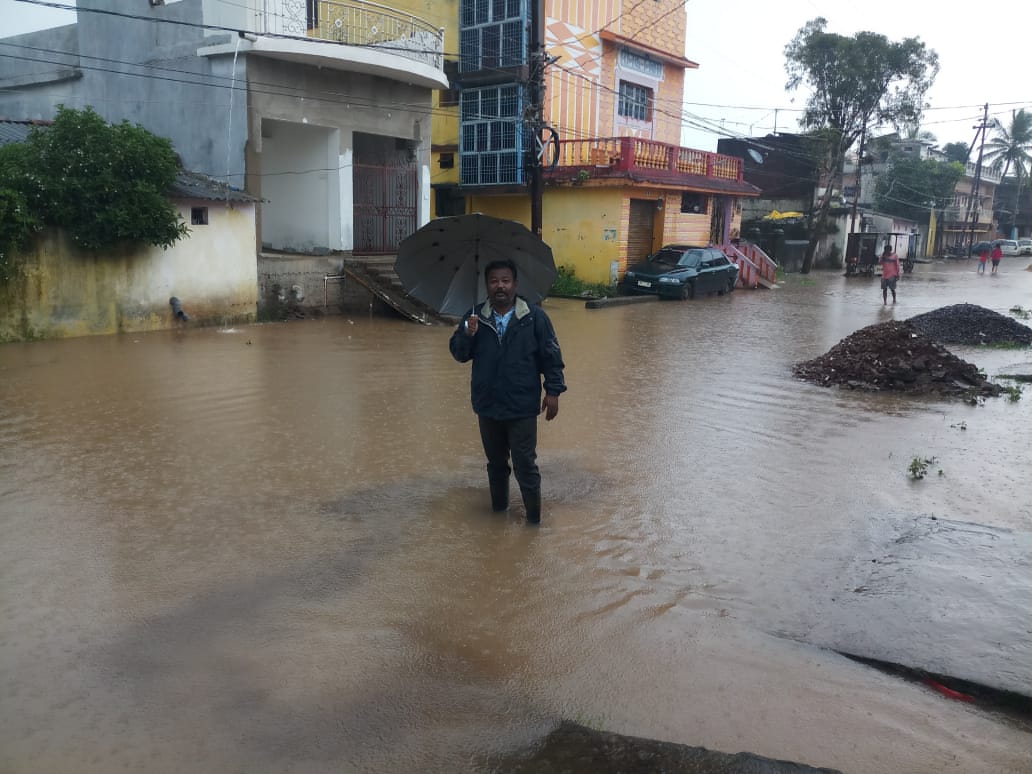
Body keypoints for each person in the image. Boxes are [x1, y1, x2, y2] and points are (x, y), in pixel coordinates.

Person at [449, 259, 567, 525]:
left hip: (522, 406)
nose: (499, 286)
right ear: (487, 286)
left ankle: (534, 522)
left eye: (505, 280)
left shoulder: (534, 317)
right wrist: (467, 332)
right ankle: (498, 516)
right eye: (493, 281)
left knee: (525, 464)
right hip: (487, 405)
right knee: (496, 465)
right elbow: (459, 354)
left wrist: (553, 391)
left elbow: (551, 356)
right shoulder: (475, 317)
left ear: (515, 284)